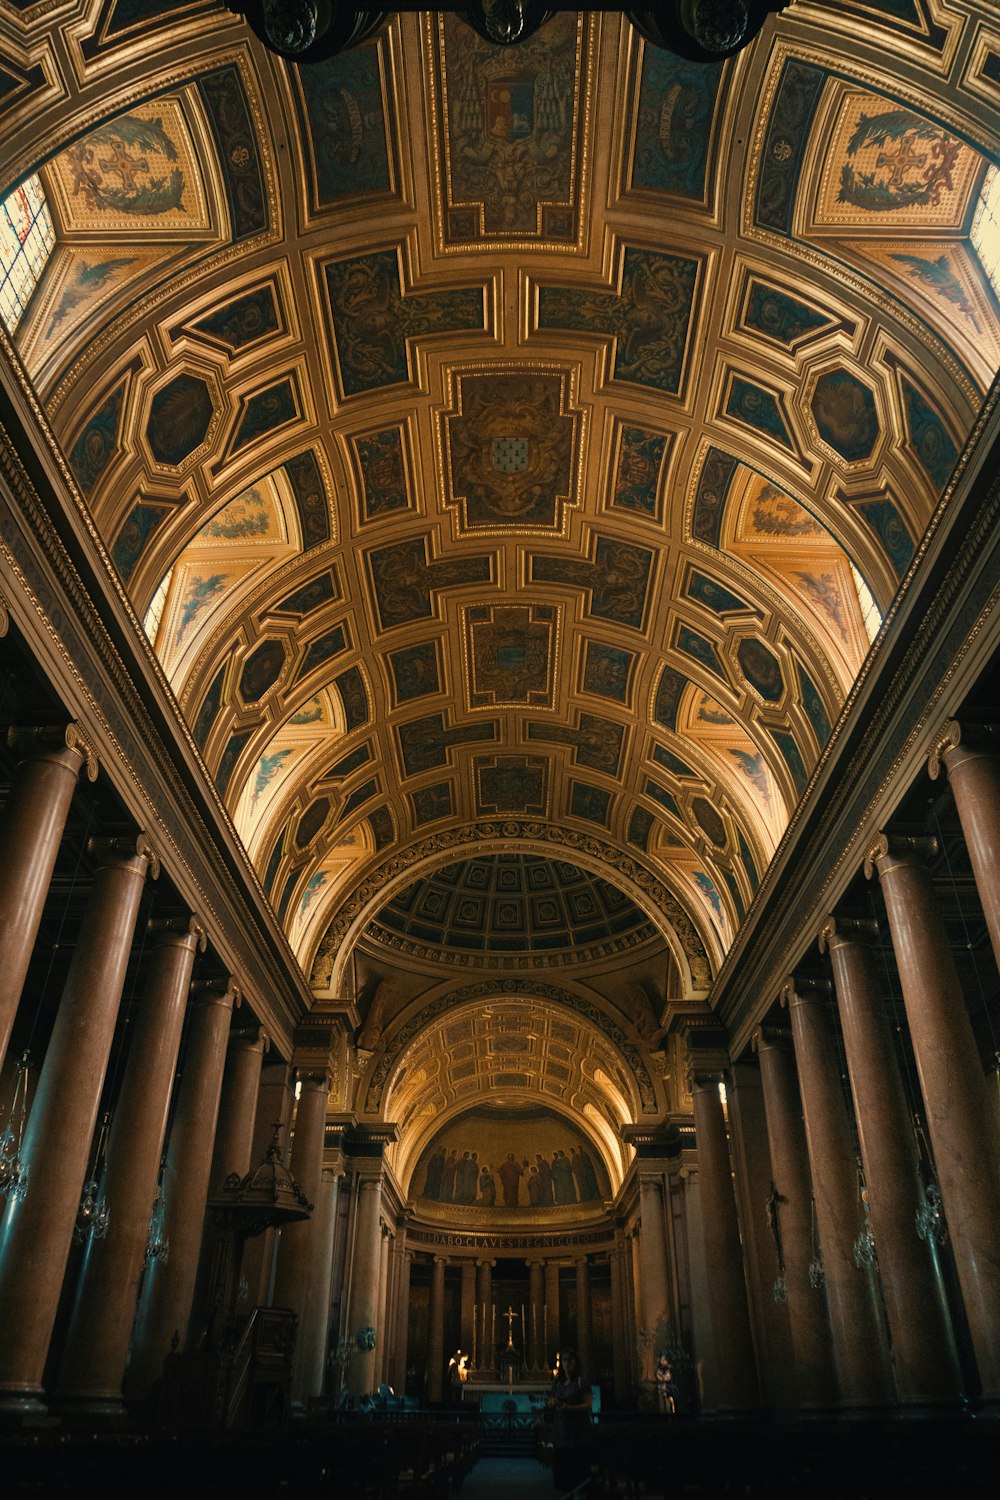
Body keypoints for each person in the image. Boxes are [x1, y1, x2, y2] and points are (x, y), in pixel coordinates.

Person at [546, 1348, 592, 1489]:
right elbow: (550, 1400)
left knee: (577, 1474)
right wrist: (551, 1403)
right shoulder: (558, 1383)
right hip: (562, 1434)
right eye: (564, 1360)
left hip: (577, 1434)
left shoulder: (581, 1382)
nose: (567, 1364)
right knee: (563, 1474)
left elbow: (588, 1405)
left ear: (575, 1363)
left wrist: (570, 1408)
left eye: (570, 1360)